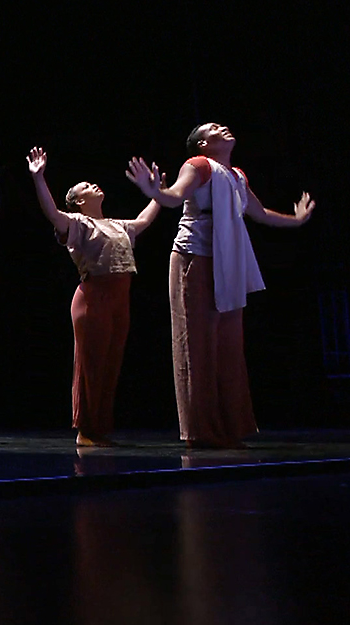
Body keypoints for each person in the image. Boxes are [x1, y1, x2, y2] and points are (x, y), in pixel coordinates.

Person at [127, 122, 315, 448]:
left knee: (228, 345)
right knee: (196, 344)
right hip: (195, 259)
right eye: (214, 128)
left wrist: (296, 221)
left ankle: (230, 427)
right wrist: (153, 191)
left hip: (226, 262)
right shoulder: (199, 165)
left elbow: (259, 213)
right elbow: (174, 196)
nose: (223, 128)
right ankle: (201, 431)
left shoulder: (237, 175)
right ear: (202, 143)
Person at [28, 146, 162, 446]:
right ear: (78, 201)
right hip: (93, 297)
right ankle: (85, 430)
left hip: (120, 297)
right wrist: (39, 178)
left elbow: (143, 221)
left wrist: (158, 194)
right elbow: (52, 213)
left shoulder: (116, 224)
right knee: (92, 363)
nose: (94, 186)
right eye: (86, 187)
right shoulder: (77, 223)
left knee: (111, 362)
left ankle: (100, 427)